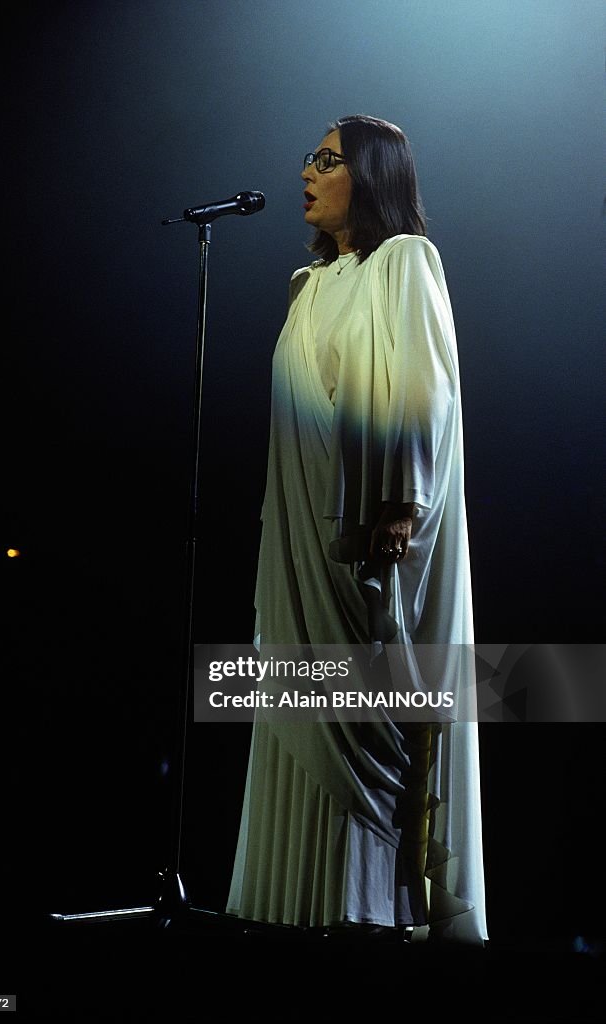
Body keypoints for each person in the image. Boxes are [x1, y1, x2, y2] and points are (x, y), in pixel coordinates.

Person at [226, 115, 488, 944]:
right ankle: (290, 904)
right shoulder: (310, 285)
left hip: (366, 537)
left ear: (370, 177)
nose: (307, 169)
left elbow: (424, 388)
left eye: (327, 159)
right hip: (300, 537)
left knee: (360, 709)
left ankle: (368, 908)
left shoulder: (403, 261)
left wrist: (402, 504)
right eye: (308, 155)